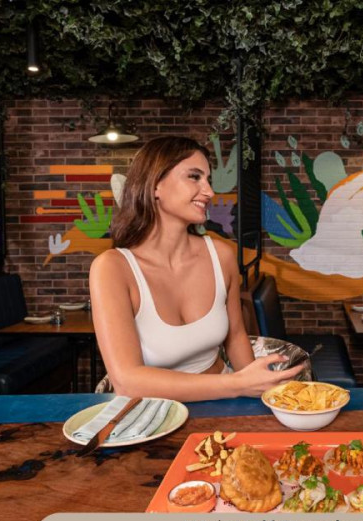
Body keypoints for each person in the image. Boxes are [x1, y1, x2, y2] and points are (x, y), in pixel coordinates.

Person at [90, 136, 302, 401]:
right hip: (155, 413)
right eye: (194, 177)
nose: (209, 192)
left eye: (208, 179)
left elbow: (236, 336)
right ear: (155, 185)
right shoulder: (112, 269)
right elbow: (127, 382)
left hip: (225, 402)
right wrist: (238, 385)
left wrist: (259, 389)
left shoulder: (221, 255)